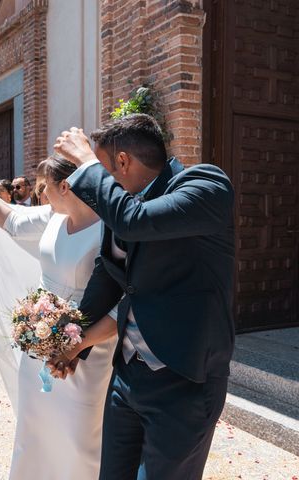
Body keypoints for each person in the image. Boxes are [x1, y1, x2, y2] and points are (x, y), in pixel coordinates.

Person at [52, 113, 235, 480]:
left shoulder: (205, 185)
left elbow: (135, 223)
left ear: (122, 162)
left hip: (185, 380)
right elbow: (109, 274)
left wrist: (87, 163)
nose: (94, 180)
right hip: (128, 377)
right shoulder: (123, 203)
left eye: (102, 168)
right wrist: (69, 339)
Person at [0, 156, 117, 478]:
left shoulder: (108, 228)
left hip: (87, 348)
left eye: (43, 187)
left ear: (66, 186)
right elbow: (12, 222)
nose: (39, 195)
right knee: (35, 425)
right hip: (38, 343)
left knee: (79, 432)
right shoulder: (53, 216)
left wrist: (72, 345)